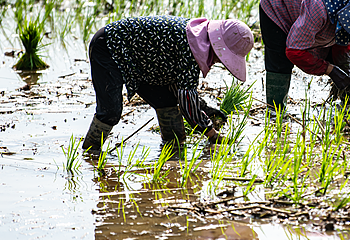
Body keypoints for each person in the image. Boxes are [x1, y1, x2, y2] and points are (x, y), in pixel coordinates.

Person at [82, 15, 254, 154]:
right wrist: (211, 133)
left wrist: (204, 109)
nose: (219, 61)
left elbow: (180, 89)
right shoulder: (193, 47)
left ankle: (174, 153)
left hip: (142, 61)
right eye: (221, 57)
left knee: (166, 102)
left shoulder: (198, 39)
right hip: (109, 46)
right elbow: (186, 98)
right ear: (217, 47)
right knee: (110, 111)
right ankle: (90, 153)